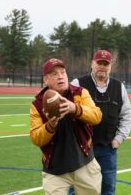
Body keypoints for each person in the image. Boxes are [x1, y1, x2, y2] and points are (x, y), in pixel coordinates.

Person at [30, 58, 103, 195]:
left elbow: (96, 116)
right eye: (54, 74)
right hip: (55, 170)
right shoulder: (38, 104)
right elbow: (36, 138)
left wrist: (74, 109)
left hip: (84, 164)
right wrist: (51, 125)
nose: (60, 76)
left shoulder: (80, 93)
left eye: (63, 72)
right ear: (46, 80)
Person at [70, 50, 131, 195]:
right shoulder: (78, 84)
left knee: (108, 188)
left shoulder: (119, 87)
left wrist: (118, 139)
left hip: (107, 149)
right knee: (77, 189)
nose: (102, 67)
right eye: (99, 63)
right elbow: (68, 113)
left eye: (106, 64)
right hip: (82, 148)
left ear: (111, 66)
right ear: (92, 63)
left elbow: (127, 115)